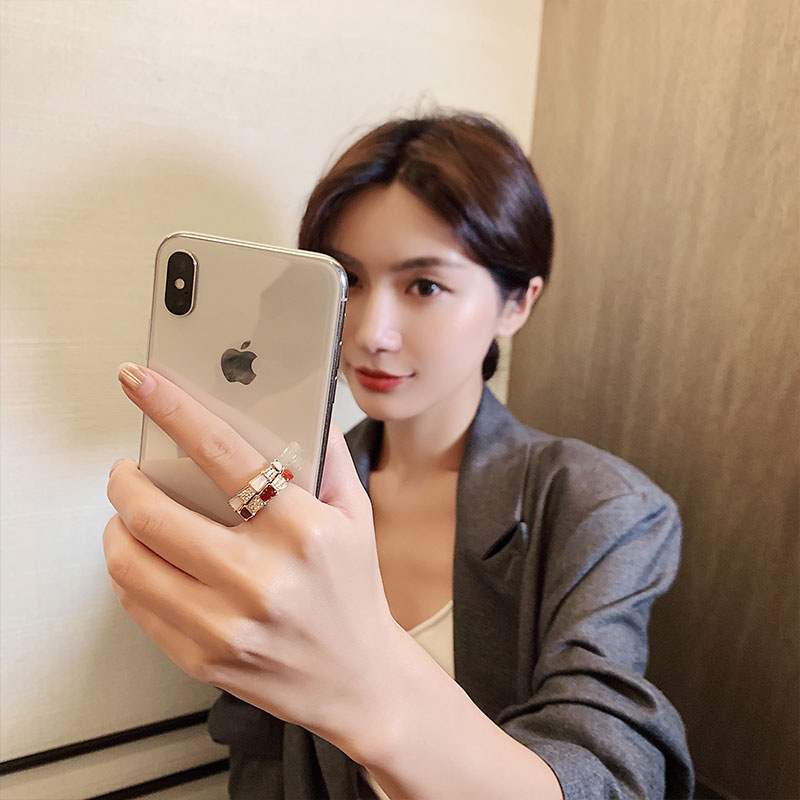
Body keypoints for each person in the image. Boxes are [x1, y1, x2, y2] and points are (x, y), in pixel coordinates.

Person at [104, 112, 694, 800]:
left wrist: (364, 680)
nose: (371, 333)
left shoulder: (602, 508)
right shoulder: (281, 493)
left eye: (424, 286)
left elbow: (613, 772)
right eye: (349, 282)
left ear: (517, 303)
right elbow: (258, 752)